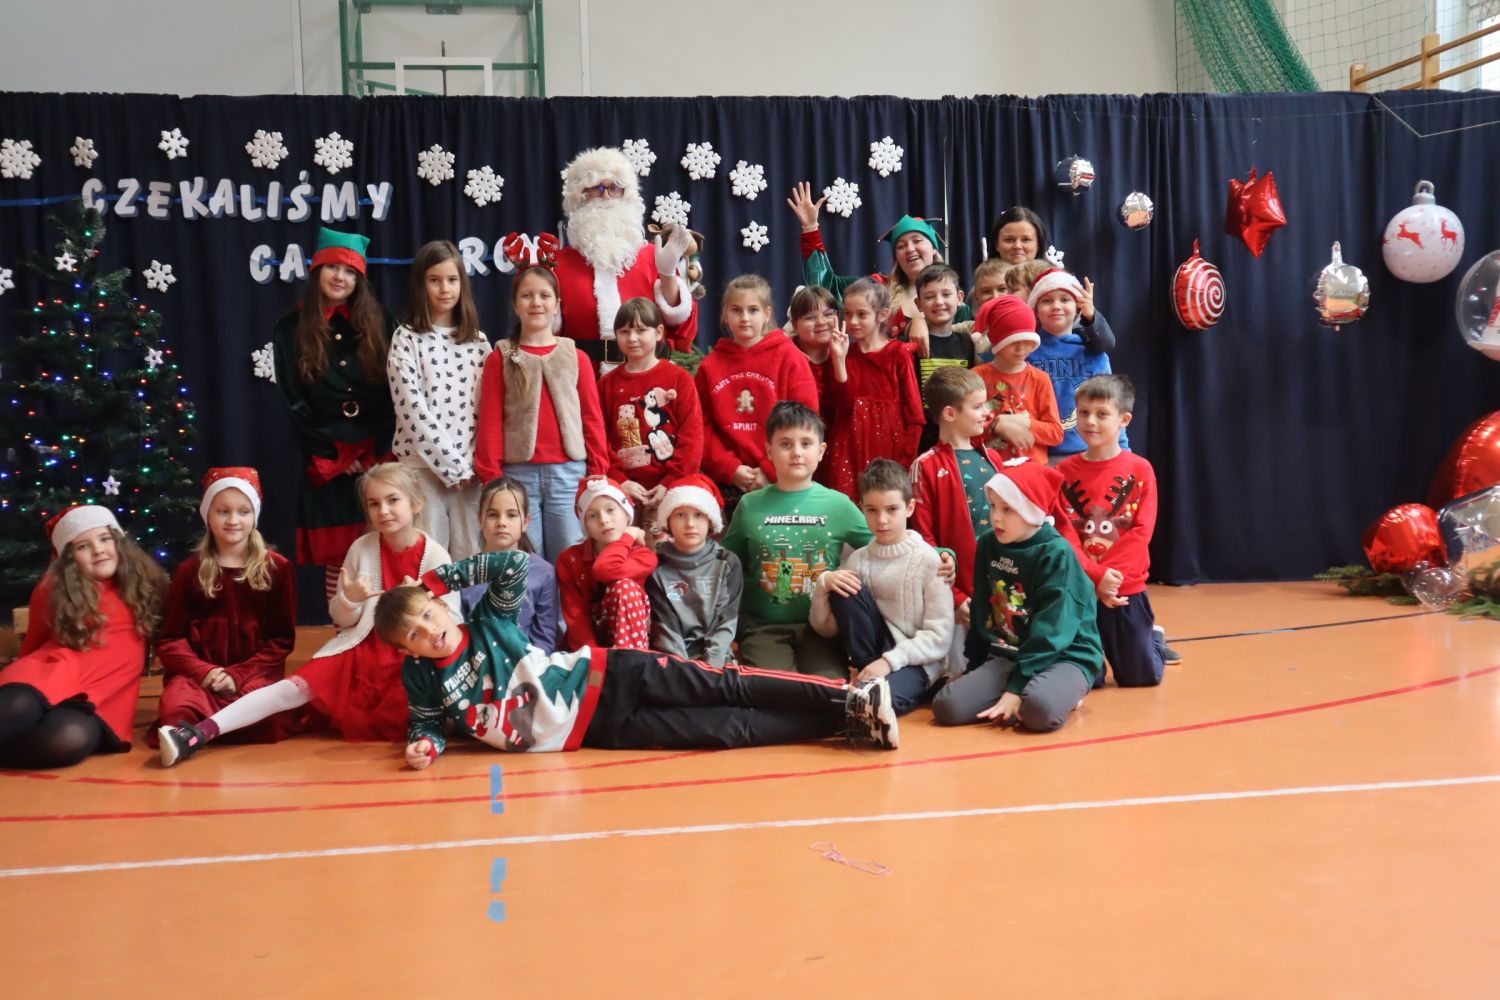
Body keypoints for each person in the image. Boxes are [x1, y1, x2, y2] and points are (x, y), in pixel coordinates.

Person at [370, 549, 899, 762]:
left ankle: (850, 696)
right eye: (414, 633)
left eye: (429, 614)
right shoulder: (422, 678)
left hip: (611, 674)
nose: (429, 631)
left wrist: (436, 579)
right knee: (727, 730)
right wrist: (425, 744)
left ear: (442, 607)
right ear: (404, 650)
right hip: (600, 731)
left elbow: (513, 565)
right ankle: (849, 722)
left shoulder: (489, 622)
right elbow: (427, 722)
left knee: (726, 685)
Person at [158, 463, 457, 765]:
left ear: (416, 503)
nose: (384, 511)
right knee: (289, 690)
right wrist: (351, 600)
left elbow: (452, 622)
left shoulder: (435, 556)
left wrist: (423, 604)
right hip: (361, 649)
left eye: (393, 500)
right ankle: (198, 733)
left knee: (422, 711)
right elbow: (343, 620)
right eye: (374, 504)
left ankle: (425, 746)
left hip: (411, 655)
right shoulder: (361, 548)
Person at [270, 227, 395, 600]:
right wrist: (335, 453)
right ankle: (345, 626)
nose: (340, 277)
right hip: (327, 456)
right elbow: (293, 399)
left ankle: (382, 628)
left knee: (383, 546)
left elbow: (397, 389)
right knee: (339, 556)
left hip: (377, 451)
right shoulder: (289, 328)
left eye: (350, 272)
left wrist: (375, 447)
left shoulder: (380, 321)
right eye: (333, 268)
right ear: (317, 270)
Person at [932, 460, 1103, 732]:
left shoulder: (1056, 553)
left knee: (1037, 711)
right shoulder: (988, 544)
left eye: (1007, 509)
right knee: (948, 707)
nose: (995, 517)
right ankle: (1032, 686)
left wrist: (1015, 688)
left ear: (1030, 510)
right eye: (992, 506)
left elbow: (1053, 630)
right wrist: (975, 667)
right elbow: (982, 609)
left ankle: (1068, 687)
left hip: (1065, 653)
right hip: (1012, 653)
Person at [0, 506, 165, 767]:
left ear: (119, 542)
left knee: (68, 739)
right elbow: (33, 643)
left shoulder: (148, 585)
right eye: (83, 546)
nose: (98, 550)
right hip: (51, 674)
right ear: (69, 558)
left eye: (105, 539)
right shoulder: (54, 588)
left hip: (106, 694)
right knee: (19, 705)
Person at [473, 243, 609, 561]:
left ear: (557, 304)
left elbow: (592, 417)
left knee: (571, 557)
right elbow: (491, 420)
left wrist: (597, 469)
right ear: (515, 304)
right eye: (527, 295)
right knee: (523, 560)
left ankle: (566, 600)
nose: (536, 302)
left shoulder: (575, 356)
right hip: (518, 476)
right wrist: (492, 476)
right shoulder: (501, 357)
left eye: (545, 296)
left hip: (569, 474)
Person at [722, 401, 873, 678]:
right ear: (769, 450)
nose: (796, 453)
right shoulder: (749, 505)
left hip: (821, 627)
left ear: (821, 451)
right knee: (777, 690)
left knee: (827, 692)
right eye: (785, 444)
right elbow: (724, 563)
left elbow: (885, 543)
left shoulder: (838, 504)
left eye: (806, 443)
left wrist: (940, 554)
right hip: (763, 627)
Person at [155, 468, 301, 744]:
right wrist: (206, 672)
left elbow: (281, 640)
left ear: (254, 516)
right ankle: (200, 731)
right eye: (223, 511)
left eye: (243, 512)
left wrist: (237, 675)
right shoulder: (189, 571)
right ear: (208, 515)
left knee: (269, 715)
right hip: (199, 675)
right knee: (176, 710)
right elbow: (171, 640)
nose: (233, 520)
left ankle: (199, 734)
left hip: (253, 673)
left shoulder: (278, 568)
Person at [1057, 375, 1175, 685]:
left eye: (1101, 414)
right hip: (1083, 588)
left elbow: (1141, 530)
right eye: (1083, 412)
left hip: (1124, 587)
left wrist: (1110, 578)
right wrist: (1095, 577)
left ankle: (1153, 639)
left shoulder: (1140, 469)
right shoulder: (1064, 471)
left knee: (1140, 677)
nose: (1090, 421)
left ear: (1124, 420)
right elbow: (1065, 532)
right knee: (1090, 680)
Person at [810, 460, 953, 715]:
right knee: (844, 586)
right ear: (861, 509)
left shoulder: (931, 562)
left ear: (909, 508)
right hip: (873, 659)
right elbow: (827, 629)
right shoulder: (857, 560)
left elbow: (939, 638)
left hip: (918, 660)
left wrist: (888, 662)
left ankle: (896, 687)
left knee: (876, 702)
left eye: (892, 509)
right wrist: (823, 585)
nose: (882, 520)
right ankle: (867, 681)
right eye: (872, 510)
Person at [387, 239, 491, 560]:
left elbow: (487, 409)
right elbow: (411, 409)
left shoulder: (478, 342)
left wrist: (470, 465)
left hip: (471, 473)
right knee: (428, 559)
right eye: (435, 280)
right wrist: (451, 466)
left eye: (452, 279)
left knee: (471, 558)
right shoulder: (406, 338)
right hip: (422, 468)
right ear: (421, 285)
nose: (445, 289)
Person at [554, 146, 697, 364]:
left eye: (614, 188)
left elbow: (681, 325)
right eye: (596, 188)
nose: (606, 196)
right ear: (581, 196)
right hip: (583, 377)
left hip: (648, 376)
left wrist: (667, 274)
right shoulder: (560, 263)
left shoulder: (654, 257)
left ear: (626, 194)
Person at [787, 185, 971, 348]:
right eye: (901, 246)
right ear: (896, 257)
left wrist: (919, 322)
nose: (910, 249)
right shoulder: (877, 288)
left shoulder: (955, 303)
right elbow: (826, 286)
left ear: (933, 248)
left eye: (917, 241)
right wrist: (810, 228)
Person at [911, 367, 1006, 678]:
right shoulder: (926, 466)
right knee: (958, 677)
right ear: (950, 413)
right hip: (957, 601)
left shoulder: (993, 459)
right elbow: (924, 542)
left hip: (1000, 591)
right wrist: (955, 598)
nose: (987, 413)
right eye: (977, 407)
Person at [694, 274, 819, 507]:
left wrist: (770, 469)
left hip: (781, 478)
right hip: (728, 482)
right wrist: (731, 468)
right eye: (736, 310)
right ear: (725, 315)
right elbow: (701, 426)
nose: (744, 318)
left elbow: (806, 419)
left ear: (767, 313)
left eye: (753, 310)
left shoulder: (788, 357)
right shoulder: (710, 367)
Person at [597, 297, 704, 527]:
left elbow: (692, 437)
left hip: (672, 489)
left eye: (640, 330)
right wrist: (619, 481)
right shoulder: (606, 385)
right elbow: (599, 440)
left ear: (658, 332)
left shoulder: (679, 379)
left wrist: (669, 482)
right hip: (623, 492)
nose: (632, 338)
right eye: (624, 332)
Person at [824, 277, 924, 498]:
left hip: (888, 455)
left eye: (862, 314)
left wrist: (903, 466)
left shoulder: (898, 355)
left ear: (882, 315)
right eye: (848, 314)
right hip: (848, 454)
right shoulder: (843, 355)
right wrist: (839, 361)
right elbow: (842, 409)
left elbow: (915, 418)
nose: (853, 321)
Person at [1027, 268, 1126, 462]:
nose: (1056, 306)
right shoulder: (1025, 351)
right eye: (1047, 301)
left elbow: (1111, 404)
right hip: (1039, 454)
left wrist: (1123, 451)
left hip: (1087, 452)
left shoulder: (1095, 353)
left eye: (1065, 299)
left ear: (1079, 308)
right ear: (1036, 310)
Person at [646, 474, 742, 667]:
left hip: (718, 659)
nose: (690, 524)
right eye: (680, 515)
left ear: (710, 520)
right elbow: (665, 628)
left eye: (698, 515)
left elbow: (725, 622)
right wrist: (684, 670)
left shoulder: (727, 563)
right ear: (668, 521)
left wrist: (711, 668)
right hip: (674, 661)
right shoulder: (656, 566)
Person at [458, 476, 559, 654]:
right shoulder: (463, 572)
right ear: (480, 519)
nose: (502, 523)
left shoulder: (544, 573)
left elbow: (544, 639)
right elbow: (460, 636)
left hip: (530, 664)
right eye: (493, 515)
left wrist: (528, 667)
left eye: (511, 515)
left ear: (525, 522)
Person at [556, 476, 658, 651]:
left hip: (632, 646)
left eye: (610, 510)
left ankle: (630, 662)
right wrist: (594, 658)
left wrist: (627, 537)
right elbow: (575, 617)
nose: (603, 520)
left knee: (625, 588)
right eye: (592, 515)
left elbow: (605, 569)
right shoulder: (569, 559)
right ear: (585, 524)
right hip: (587, 649)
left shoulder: (643, 555)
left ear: (626, 513)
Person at [971, 294, 1063, 465]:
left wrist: (1026, 423)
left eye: (1027, 341)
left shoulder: (1040, 379)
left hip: (1032, 469)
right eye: (1012, 341)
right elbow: (964, 431)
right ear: (997, 340)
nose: (1021, 348)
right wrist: (996, 425)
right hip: (989, 469)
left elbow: (1056, 433)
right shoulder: (976, 377)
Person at [912, 262, 975, 453]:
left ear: (960, 298)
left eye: (946, 294)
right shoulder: (910, 345)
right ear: (919, 304)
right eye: (929, 296)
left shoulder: (968, 344)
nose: (939, 302)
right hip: (921, 442)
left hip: (960, 438)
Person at [786, 284, 842, 419]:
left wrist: (839, 360)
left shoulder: (849, 355)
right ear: (794, 324)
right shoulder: (784, 358)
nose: (821, 322)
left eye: (828, 314)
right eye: (810, 317)